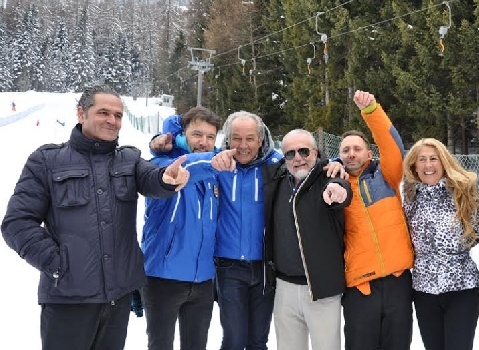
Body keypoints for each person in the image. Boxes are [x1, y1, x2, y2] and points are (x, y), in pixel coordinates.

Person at [1, 85, 190, 350]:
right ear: (81, 113)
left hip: (117, 299)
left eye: (118, 115)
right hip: (68, 300)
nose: (112, 121)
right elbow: (16, 223)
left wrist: (166, 179)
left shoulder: (130, 159)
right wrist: (59, 265)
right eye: (103, 112)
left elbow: (151, 179)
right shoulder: (46, 161)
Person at [141, 107, 222, 350]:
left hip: (203, 279)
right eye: (197, 134)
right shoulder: (161, 165)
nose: (204, 142)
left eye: (210, 137)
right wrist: (170, 135)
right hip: (163, 276)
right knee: (160, 345)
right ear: (182, 135)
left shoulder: (215, 173)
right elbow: (189, 168)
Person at [338, 90, 414, 350]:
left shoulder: (387, 177)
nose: (351, 154)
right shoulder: (335, 186)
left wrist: (371, 111)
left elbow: (393, 146)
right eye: (345, 150)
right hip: (360, 287)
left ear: (368, 154)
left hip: (398, 280)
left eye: (357, 149)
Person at [263, 129, 351, 350]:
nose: (298, 158)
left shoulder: (328, 176)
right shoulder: (276, 179)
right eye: (290, 154)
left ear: (316, 152)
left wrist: (338, 190)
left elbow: (342, 189)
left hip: (321, 290)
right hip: (284, 288)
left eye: (303, 151)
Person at [402, 138, 479, 350]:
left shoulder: (462, 192)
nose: (428, 165)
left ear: (444, 162)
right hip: (424, 290)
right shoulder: (408, 197)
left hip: (461, 289)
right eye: (422, 160)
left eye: (434, 159)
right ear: (414, 165)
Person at [208, 111, 282, 350]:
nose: (243, 146)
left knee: (258, 341)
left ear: (261, 140)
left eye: (249, 138)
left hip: (264, 267)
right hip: (229, 266)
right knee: (234, 339)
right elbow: (186, 151)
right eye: (236, 138)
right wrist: (161, 143)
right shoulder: (217, 164)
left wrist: (336, 171)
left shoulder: (276, 165)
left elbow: (308, 161)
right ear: (227, 140)